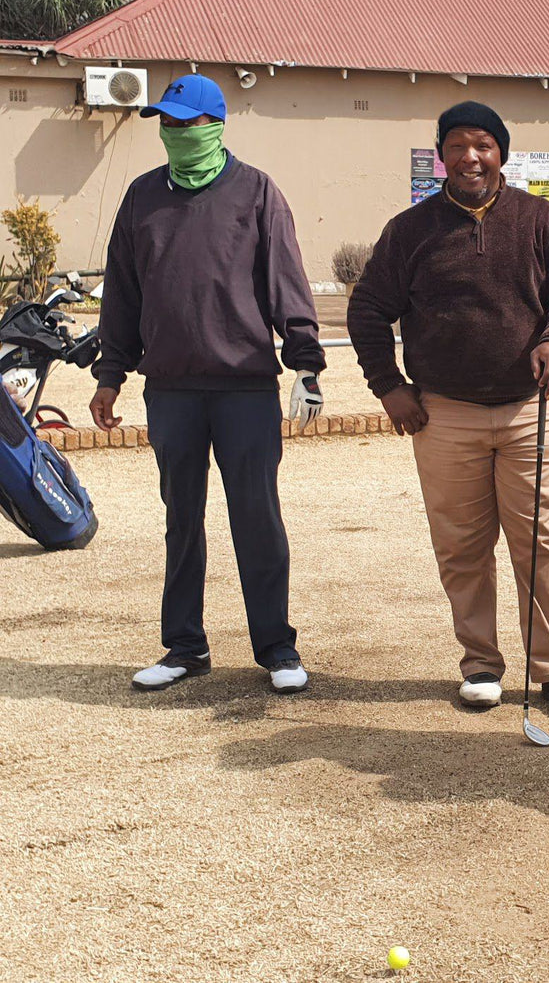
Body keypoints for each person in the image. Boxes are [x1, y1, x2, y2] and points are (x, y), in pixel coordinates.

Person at [347, 102, 549, 715]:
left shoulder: (539, 219)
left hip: (530, 408)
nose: (469, 157)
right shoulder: (410, 230)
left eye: (482, 144)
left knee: (541, 539)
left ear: (501, 153)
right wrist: (389, 386)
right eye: (456, 145)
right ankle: (481, 662)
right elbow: (367, 310)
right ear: (442, 156)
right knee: (461, 546)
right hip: (443, 413)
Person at [91, 74, 326, 695]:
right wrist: (110, 375)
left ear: (215, 125)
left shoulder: (255, 192)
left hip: (244, 387)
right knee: (182, 520)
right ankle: (184, 647)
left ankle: (276, 648)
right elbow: (122, 293)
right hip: (170, 388)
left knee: (257, 517)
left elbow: (286, 282)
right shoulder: (142, 198)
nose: (173, 133)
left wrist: (307, 363)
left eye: (185, 123)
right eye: (166, 123)